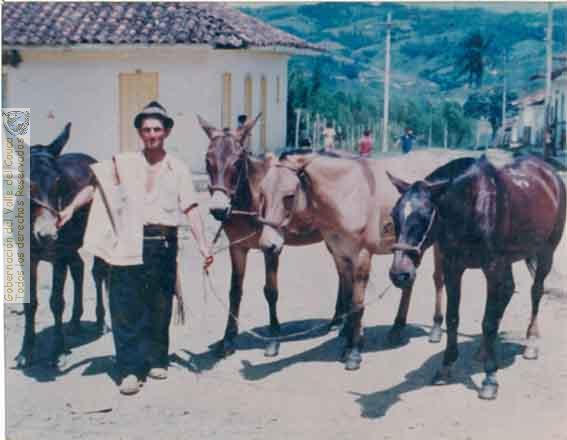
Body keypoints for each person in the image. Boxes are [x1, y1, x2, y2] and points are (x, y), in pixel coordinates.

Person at [58, 101, 213, 395]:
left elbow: (191, 209)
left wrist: (204, 246)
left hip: (163, 244)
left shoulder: (178, 168)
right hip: (128, 241)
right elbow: (95, 187)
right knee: (124, 305)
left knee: (160, 304)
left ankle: (156, 358)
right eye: (146, 130)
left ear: (166, 132)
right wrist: (70, 209)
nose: (152, 134)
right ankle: (129, 369)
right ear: (140, 133)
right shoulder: (124, 163)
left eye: (157, 129)